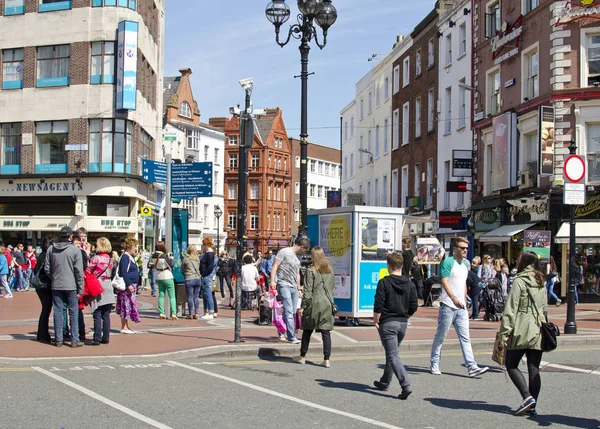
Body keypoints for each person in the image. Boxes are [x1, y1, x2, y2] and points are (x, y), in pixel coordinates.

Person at [430, 237, 489, 377]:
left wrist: (464, 299)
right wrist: (453, 298)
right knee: (441, 336)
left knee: (465, 338)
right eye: (462, 248)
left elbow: (463, 283)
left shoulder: (465, 264)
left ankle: (472, 366)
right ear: (455, 248)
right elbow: (444, 282)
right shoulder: (448, 262)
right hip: (448, 306)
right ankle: (434, 363)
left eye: (466, 248)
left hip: (461, 307)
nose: (465, 251)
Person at [499, 251, 548, 416]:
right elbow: (544, 308)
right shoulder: (541, 280)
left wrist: (504, 333)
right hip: (538, 327)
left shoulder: (520, 280)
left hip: (521, 326)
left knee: (511, 364)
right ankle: (533, 405)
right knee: (534, 369)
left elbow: (511, 308)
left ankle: (527, 397)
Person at [372, 252, 418, 398]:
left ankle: (406, 385)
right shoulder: (410, 284)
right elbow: (414, 305)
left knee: (393, 355)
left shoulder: (384, 282)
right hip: (402, 323)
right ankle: (385, 381)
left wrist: (376, 320)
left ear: (388, 266)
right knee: (392, 353)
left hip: (388, 323)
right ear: (402, 265)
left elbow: (378, 304)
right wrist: (406, 316)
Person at [294, 247, 336, 367]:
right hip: (327, 303)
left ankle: (302, 356)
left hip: (314, 303)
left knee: (307, 330)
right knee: (326, 332)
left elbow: (307, 290)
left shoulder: (311, 270)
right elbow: (332, 288)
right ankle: (326, 360)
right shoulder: (329, 270)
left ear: (313, 256)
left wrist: (303, 306)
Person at [44, 226, 84, 348]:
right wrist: (80, 287)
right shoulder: (75, 250)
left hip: (56, 284)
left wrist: (54, 277)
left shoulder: (51, 249)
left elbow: (47, 268)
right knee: (73, 312)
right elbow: (78, 271)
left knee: (58, 312)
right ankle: (74, 339)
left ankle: (58, 339)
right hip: (71, 285)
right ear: (70, 236)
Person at [269, 236, 310, 344]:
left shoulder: (297, 258)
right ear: (301, 247)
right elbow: (275, 266)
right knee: (288, 311)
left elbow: (297, 274)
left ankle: (282, 330)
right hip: (284, 284)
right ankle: (291, 336)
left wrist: (299, 287)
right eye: (304, 250)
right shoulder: (284, 252)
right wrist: (272, 281)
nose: (304, 253)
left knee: (292, 312)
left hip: (294, 287)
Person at [87, 237, 115, 345]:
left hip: (97, 285)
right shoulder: (111, 259)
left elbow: (88, 270)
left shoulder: (96, 258)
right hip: (108, 285)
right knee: (106, 314)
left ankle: (97, 337)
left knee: (97, 312)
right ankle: (106, 337)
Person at [116, 238, 141, 333]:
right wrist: (129, 284)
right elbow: (124, 272)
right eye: (134, 246)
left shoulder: (130, 257)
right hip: (128, 285)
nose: (135, 249)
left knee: (127, 305)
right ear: (130, 247)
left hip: (131, 284)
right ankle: (124, 327)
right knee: (125, 305)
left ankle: (126, 326)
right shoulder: (125, 257)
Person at [33, 237, 54, 343]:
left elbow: (35, 269)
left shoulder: (41, 255)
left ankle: (42, 333)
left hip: (40, 286)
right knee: (46, 310)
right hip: (45, 286)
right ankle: (43, 334)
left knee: (45, 310)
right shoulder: (47, 255)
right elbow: (47, 270)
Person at [153, 242, 176, 320]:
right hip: (167, 276)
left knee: (161, 295)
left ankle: (162, 313)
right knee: (172, 296)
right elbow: (171, 265)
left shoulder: (153, 256)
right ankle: (173, 314)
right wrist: (171, 259)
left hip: (159, 276)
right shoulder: (164, 256)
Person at [182, 244, 201, 319]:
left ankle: (190, 313)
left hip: (189, 278)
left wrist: (185, 273)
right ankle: (196, 313)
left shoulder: (186, 258)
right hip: (197, 279)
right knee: (195, 297)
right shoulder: (197, 258)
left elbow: (182, 269)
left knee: (190, 297)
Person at [200, 237, 216, 319]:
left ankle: (211, 311)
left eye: (203, 244)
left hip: (206, 275)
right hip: (206, 275)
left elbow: (210, 266)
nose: (203, 246)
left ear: (206, 244)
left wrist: (203, 274)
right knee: (205, 293)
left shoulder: (209, 254)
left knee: (208, 293)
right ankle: (206, 311)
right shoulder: (208, 253)